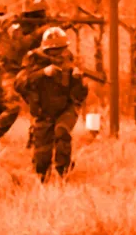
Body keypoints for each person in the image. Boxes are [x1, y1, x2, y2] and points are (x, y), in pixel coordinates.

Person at [15, 27, 88, 182]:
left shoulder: (69, 59)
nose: (59, 54)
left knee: (62, 131)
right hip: (43, 112)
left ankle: (64, 173)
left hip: (66, 109)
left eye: (62, 49)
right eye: (55, 51)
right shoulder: (33, 59)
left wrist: (79, 81)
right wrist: (42, 73)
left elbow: (80, 95)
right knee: (42, 160)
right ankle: (43, 181)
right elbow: (19, 83)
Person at [0, 0, 52, 148]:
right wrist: (42, 30)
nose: (40, 18)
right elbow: (22, 44)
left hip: (29, 71)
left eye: (41, 14)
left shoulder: (42, 28)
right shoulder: (14, 24)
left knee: (40, 107)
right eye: (36, 15)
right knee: (13, 108)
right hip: (10, 71)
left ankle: (34, 142)